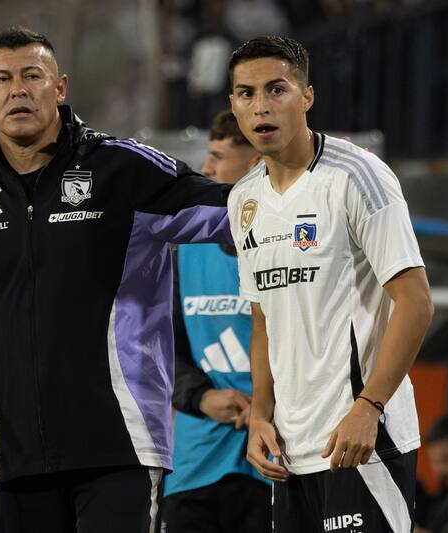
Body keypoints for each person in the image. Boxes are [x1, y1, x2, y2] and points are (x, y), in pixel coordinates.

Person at [0, 26, 232, 533]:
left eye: (33, 76)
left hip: (121, 448)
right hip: (21, 460)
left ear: (60, 87)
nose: (19, 90)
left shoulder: (124, 170)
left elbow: (227, 212)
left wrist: (302, 194)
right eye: (4, 80)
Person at [226, 35, 434, 532]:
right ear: (233, 104)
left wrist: (370, 407)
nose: (261, 107)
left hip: (363, 441)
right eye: (246, 94)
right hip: (291, 453)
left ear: (307, 96)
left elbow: (416, 301)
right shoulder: (243, 201)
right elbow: (263, 322)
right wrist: (260, 416)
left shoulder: (357, 175)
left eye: (276, 90)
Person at [162, 111, 269, 532]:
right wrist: (202, 398)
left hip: (273, 462)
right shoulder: (184, 251)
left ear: (256, 164)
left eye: (218, 156)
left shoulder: (291, 250)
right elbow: (161, 352)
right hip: (195, 462)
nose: (206, 168)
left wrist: (266, 406)